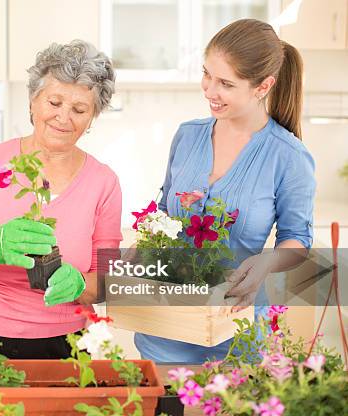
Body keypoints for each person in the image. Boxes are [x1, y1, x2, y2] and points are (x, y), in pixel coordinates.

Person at [134, 19, 315, 363]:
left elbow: (297, 240)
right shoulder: (187, 136)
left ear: (263, 87)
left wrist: (267, 261)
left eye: (226, 84)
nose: (209, 90)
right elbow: (164, 210)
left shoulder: (288, 156)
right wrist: (144, 248)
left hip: (233, 332)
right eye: (207, 75)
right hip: (163, 327)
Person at [0, 40, 122, 359]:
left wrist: (80, 284)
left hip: (64, 340)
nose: (63, 118)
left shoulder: (103, 182)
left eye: (79, 110)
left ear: (92, 117)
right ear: (33, 101)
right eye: (54, 102)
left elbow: (107, 280)